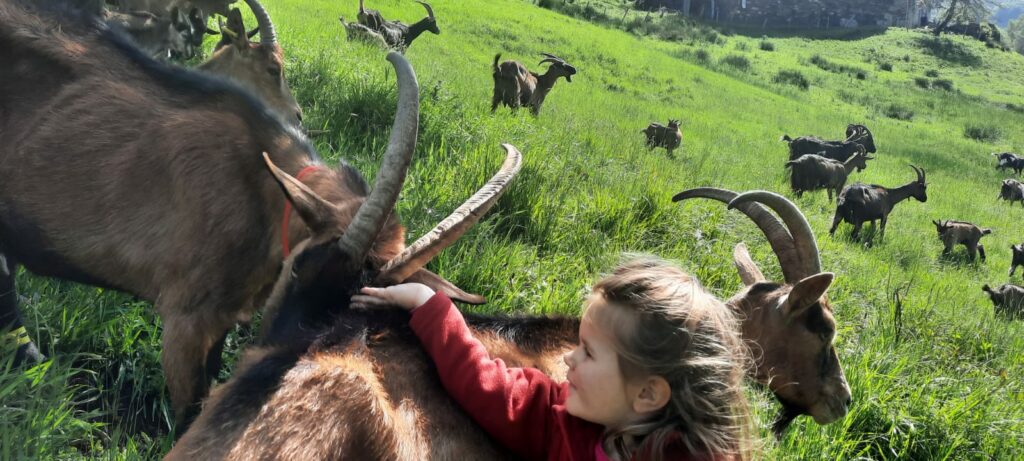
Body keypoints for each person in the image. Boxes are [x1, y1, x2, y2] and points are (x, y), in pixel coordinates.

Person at [351, 257, 753, 460]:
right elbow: (484, 382)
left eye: (588, 352)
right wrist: (429, 306)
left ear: (647, 394)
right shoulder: (562, 418)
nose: (569, 359)